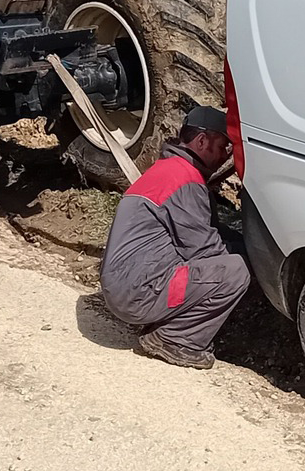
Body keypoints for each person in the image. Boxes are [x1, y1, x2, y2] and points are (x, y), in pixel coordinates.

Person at [100, 105, 250, 370]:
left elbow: (207, 231)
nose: (226, 154)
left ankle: (167, 322)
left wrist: (243, 244)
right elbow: (205, 250)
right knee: (236, 272)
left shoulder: (167, 169)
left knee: (230, 261)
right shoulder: (185, 180)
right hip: (137, 294)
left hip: (124, 286)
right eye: (223, 146)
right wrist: (256, 259)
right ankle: (174, 339)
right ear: (201, 141)